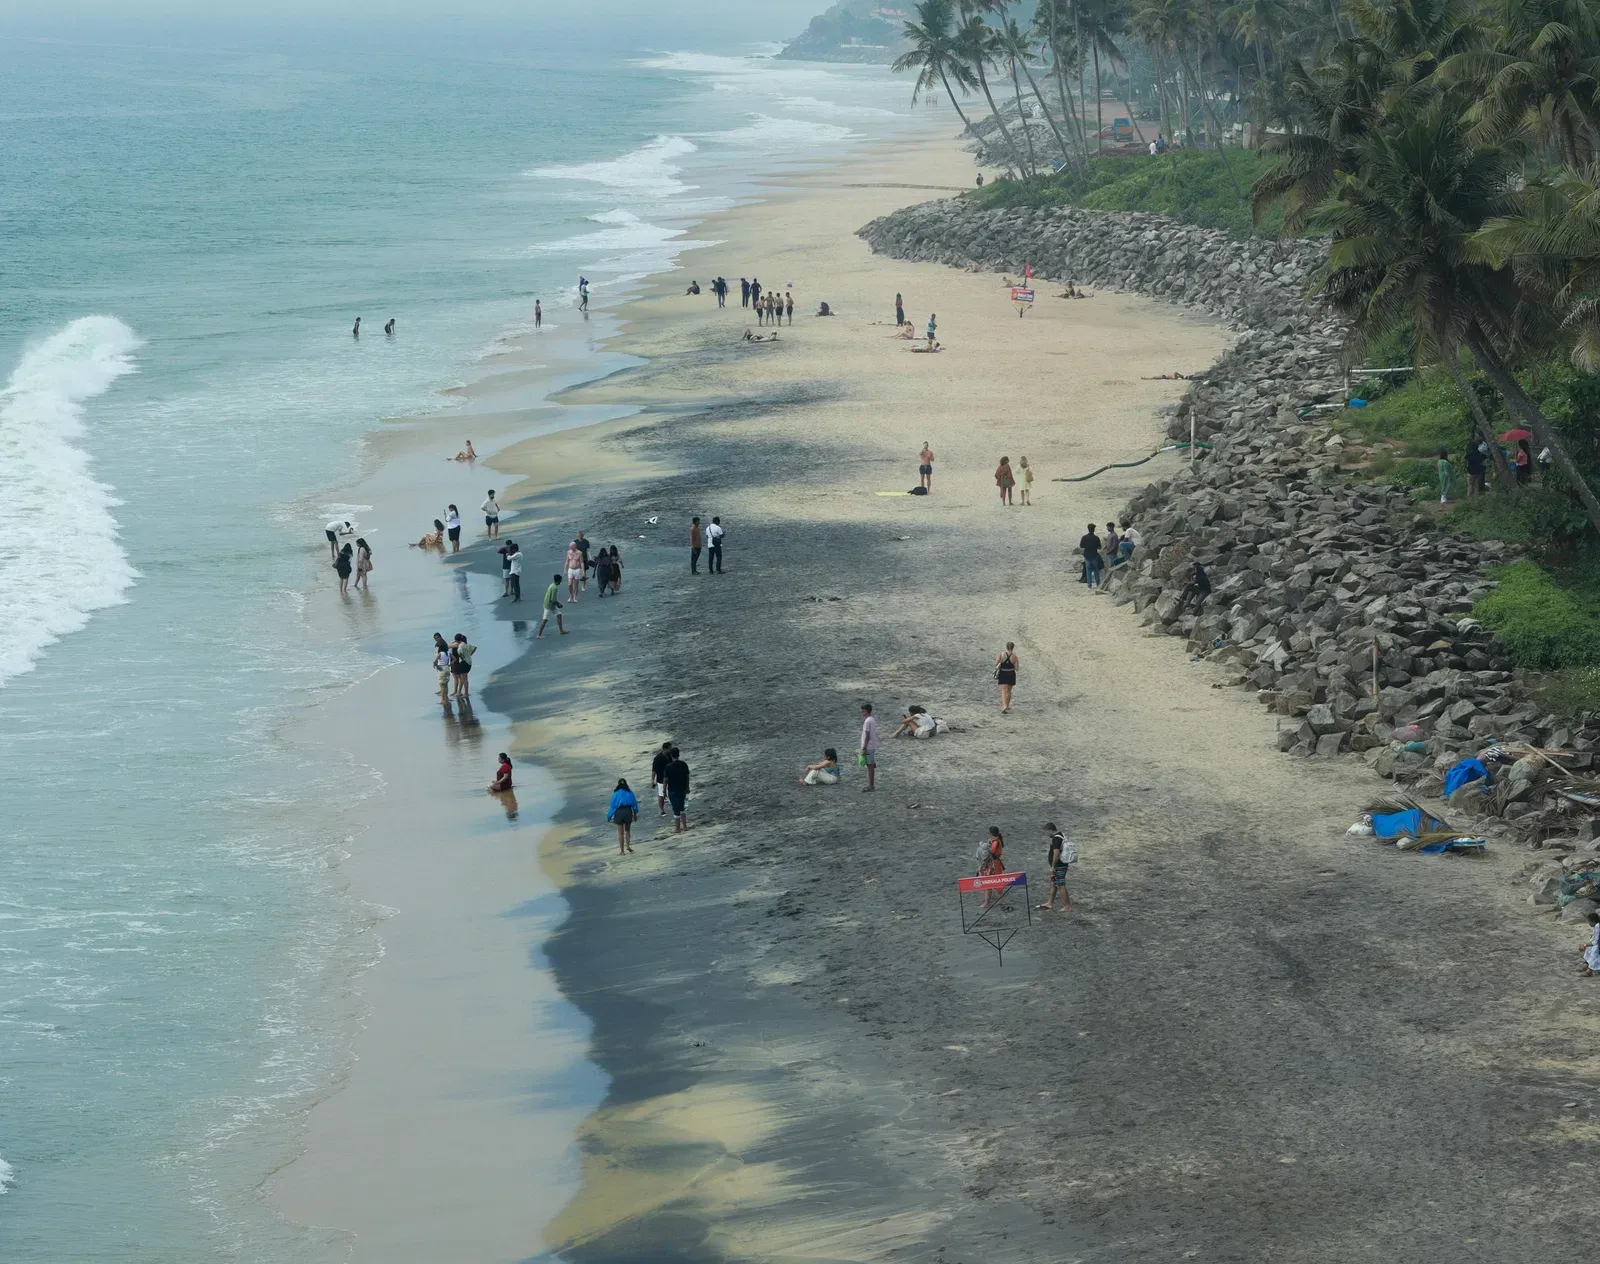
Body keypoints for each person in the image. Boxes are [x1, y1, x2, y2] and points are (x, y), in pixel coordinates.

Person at [1036, 823, 1075, 913]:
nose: (1046, 834)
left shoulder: (1056, 839)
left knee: (1061, 884)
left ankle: (1067, 906)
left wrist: (1053, 866)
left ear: (1049, 830)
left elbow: (1056, 854)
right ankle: (1050, 903)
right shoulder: (1061, 835)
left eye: (1046, 832)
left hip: (1059, 866)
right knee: (1053, 883)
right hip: (1062, 864)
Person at [663, 746, 691, 832]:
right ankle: (685, 826)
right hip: (682, 789)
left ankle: (677, 828)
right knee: (682, 807)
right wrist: (687, 787)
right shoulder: (684, 764)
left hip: (673, 790)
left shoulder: (668, 766)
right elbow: (687, 777)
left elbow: (665, 780)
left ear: (671, 755)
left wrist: (664, 791)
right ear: (678, 754)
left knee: (676, 809)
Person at [607, 779, 639, 854]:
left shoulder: (616, 793)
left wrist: (609, 816)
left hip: (619, 812)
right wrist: (635, 814)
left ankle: (622, 851)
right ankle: (628, 846)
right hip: (628, 811)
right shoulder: (630, 793)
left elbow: (613, 806)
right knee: (627, 830)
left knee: (620, 833)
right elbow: (634, 804)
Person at [976, 826, 1004, 909]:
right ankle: (1001, 900)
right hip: (993, 864)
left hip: (994, 865)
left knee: (991, 882)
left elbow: (990, 851)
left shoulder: (995, 842)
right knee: (994, 882)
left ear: (991, 833)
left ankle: (987, 902)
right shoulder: (994, 841)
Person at [994, 642, 1019, 713]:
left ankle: (1004, 706)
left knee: (1003, 691)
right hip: (1011, 673)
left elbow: (996, 663)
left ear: (1006, 647)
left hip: (1003, 673)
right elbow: (1017, 668)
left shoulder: (1001, 654)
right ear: (1013, 647)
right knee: (1009, 691)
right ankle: (1007, 706)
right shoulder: (1015, 657)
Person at [650, 740, 673, 816]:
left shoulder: (670, 756)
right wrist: (652, 781)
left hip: (671, 778)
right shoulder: (657, 758)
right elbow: (654, 770)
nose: (671, 749)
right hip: (660, 779)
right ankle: (662, 810)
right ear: (665, 749)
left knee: (672, 792)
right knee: (661, 795)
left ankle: (674, 805)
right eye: (670, 748)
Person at [859, 702, 878, 793]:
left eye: (863, 710)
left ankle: (871, 786)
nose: (862, 712)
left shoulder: (867, 721)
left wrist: (864, 748)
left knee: (869, 766)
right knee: (870, 765)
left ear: (867, 711)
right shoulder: (872, 719)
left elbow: (867, 735)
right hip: (872, 746)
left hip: (868, 747)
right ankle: (871, 785)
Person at [450, 633, 476, 699]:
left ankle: (466, 693)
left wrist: (462, 657)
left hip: (464, 663)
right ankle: (465, 692)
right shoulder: (466, 644)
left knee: (464, 679)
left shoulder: (460, 646)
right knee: (465, 679)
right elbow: (475, 647)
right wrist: (469, 654)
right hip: (469, 662)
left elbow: (460, 653)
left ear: (456, 640)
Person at [1080, 523, 1104, 589]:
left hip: (1087, 555)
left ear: (1088, 529)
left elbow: (1081, 546)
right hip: (1094, 555)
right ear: (1094, 530)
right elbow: (1099, 547)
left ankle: (1089, 585)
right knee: (1096, 570)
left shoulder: (1084, 537)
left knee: (1088, 570)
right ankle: (1098, 583)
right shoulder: (1096, 538)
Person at [432, 634, 452, 702]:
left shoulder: (441, 645)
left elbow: (437, 655)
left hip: (441, 664)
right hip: (445, 666)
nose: (436, 639)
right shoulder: (443, 645)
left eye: (437, 637)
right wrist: (449, 664)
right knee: (445, 683)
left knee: (442, 683)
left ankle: (444, 699)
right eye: (435, 638)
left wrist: (436, 665)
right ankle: (445, 697)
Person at [1581, 910, 1600, 977]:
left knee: (1594, 951)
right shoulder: (1597, 926)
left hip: (1598, 945)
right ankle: (1586, 965)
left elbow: (1596, 941)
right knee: (1590, 950)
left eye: (1589, 921)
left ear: (1593, 921)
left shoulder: (1598, 926)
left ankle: (1589, 971)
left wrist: (1585, 944)